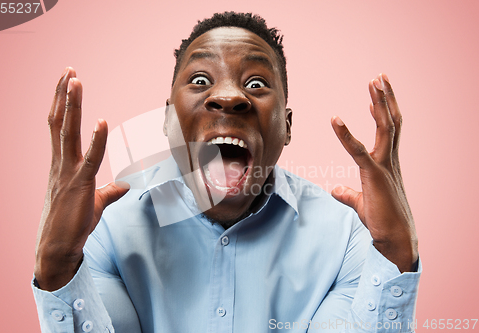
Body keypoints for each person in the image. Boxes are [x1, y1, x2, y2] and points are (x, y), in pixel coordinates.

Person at [33, 12, 420, 333]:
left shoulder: (345, 235)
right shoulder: (106, 227)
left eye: (256, 83)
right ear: (167, 120)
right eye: (201, 80)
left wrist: (396, 255)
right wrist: (59, 265)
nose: (230, 97)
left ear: (286, 127)